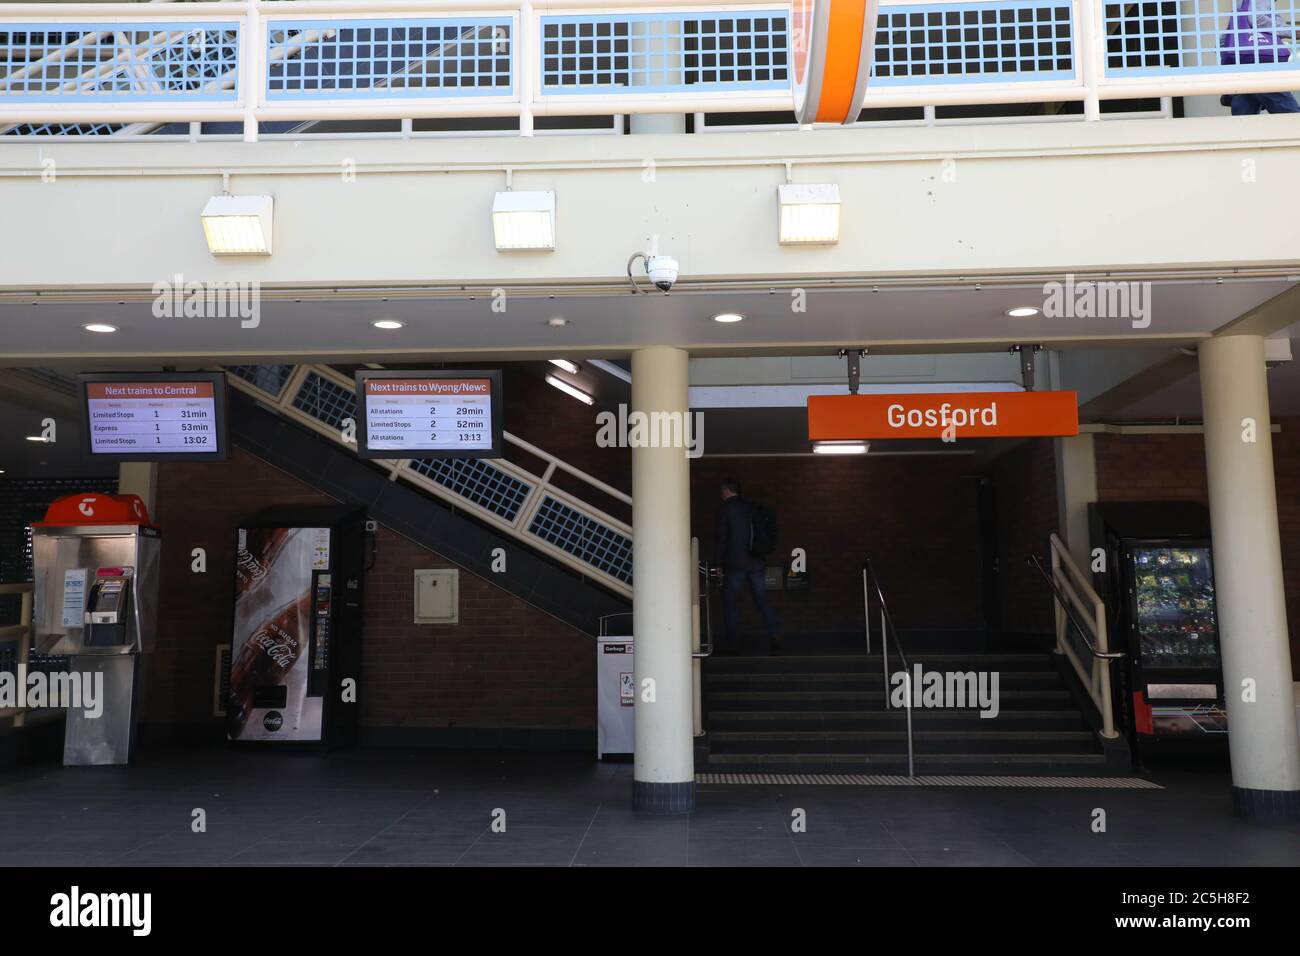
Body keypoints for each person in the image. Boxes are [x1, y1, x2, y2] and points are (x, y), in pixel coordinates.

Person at [712, 478, 781, 655]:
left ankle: (733, 643)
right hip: (756, 561)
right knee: (761, 600)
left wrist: (718, 564)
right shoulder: (752, 507)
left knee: (730, 603)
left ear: (726, 491)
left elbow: (722, 538)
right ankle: (775, 634)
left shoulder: (726, 509)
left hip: (735, 564)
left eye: (722, 492)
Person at [1220, 0, 1300, 114]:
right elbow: (1255, 17)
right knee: (1289, 112)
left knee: (1244, 114)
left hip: (1244, 59)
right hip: (1258, 62)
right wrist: (1290, 31)